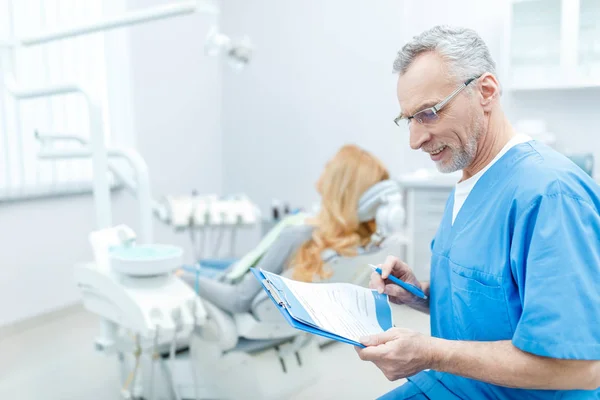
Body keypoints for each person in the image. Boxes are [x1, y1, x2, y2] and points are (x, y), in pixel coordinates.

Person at [355, 25, 600, 399]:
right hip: (452, 385)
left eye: (429, 113)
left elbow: (582, 368)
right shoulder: (470, 176)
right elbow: (500, 305)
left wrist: (431, 352)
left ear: (486, 91)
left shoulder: (550, 195)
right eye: (409, 119)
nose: (415, 140)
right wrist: (420, 295)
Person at [192, 144, 390, 314]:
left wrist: (180, 276)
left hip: (231, 287)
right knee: (215, 263)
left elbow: (239, 299)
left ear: (337, 185)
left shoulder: (296, 235)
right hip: (238, 274)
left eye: (329, 165)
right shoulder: (357, 243)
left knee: (184, 271)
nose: (324, 166)